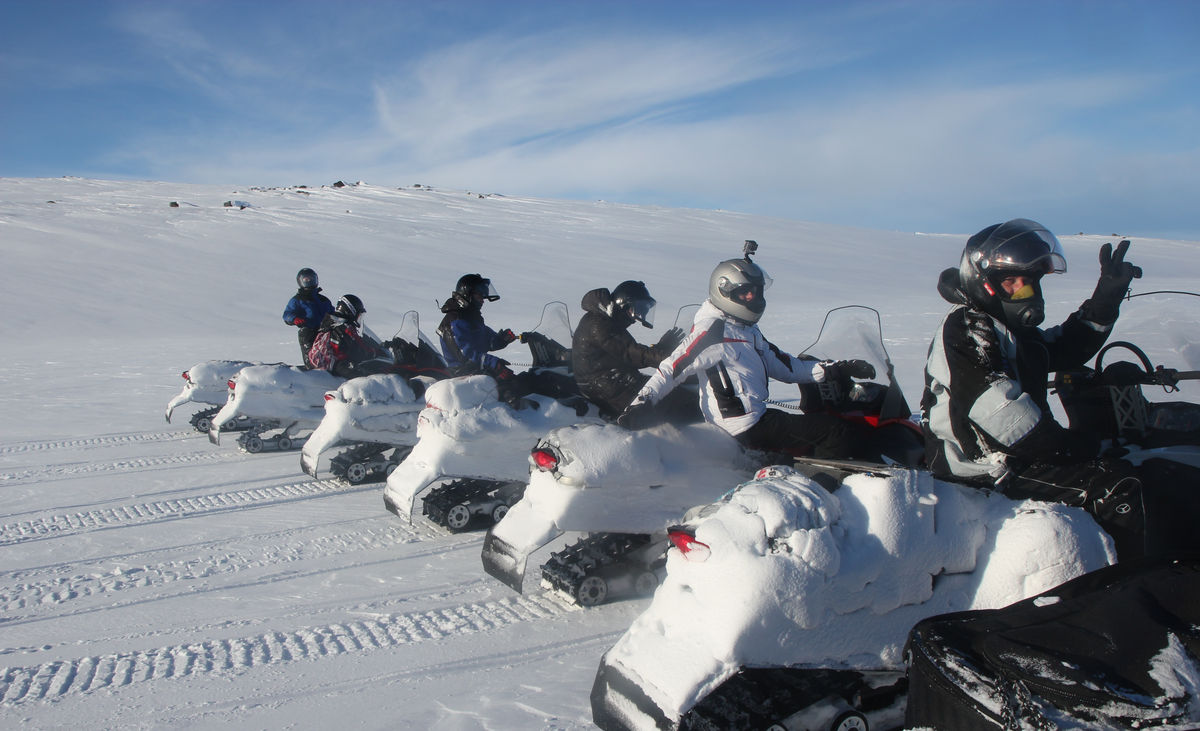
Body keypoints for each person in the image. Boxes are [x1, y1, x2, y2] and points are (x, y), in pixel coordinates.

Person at [921, 218, 1155, 558]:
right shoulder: (969, 327)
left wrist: (1106, 296)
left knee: (1143, 461)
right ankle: (1130, 587)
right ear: (984, 283)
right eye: (1012, 281)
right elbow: (1007, 421)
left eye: (1029, 282)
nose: (1023, 290)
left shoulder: (1006, 328)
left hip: (1018, 457)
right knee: (1118, 488)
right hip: (981, 468)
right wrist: (1082, 446)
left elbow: (1066, 347)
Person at [618, 246, 876, 460]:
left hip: (756, 419)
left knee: (823, 425)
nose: (753, 297)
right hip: (744, 428)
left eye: (756, 290)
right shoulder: (712, 332)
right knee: (836, 431)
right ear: (725, 293)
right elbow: (671, 369)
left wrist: (835, 368)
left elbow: (785, 368)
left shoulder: (745, 330)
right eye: (745, 292)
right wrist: (641, 404)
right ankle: (829, 494)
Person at [572, 280, 689, 420]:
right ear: (624, 304)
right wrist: (678, 359)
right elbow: (631, 353)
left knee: (669, 389)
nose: (636, 317)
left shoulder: (604, 319)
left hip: (612, 380)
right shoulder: (599, 324)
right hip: (606, 387)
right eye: (637, 309)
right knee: (675, 400)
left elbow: (627, 352)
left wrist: (660, 348)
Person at [309, 294, 389, 379]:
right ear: (350, 311)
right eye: (358, 315)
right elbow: (357, 348)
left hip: (328, 364)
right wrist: (375, 352)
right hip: (336, 365)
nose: (358, 318)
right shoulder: (344, 326)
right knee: (366, 377)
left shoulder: (333, 323)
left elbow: (355, 343)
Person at [283, 268, 334, 368]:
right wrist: (294, 319)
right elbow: (287, 314)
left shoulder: (323, 299)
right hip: (309, 331)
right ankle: (312, 370)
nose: (309, 281)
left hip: (326, 332)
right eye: (305, 279)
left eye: (311, 278)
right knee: (312, 358)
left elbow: (333, 312)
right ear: (300, 281)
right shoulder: (298, 300)